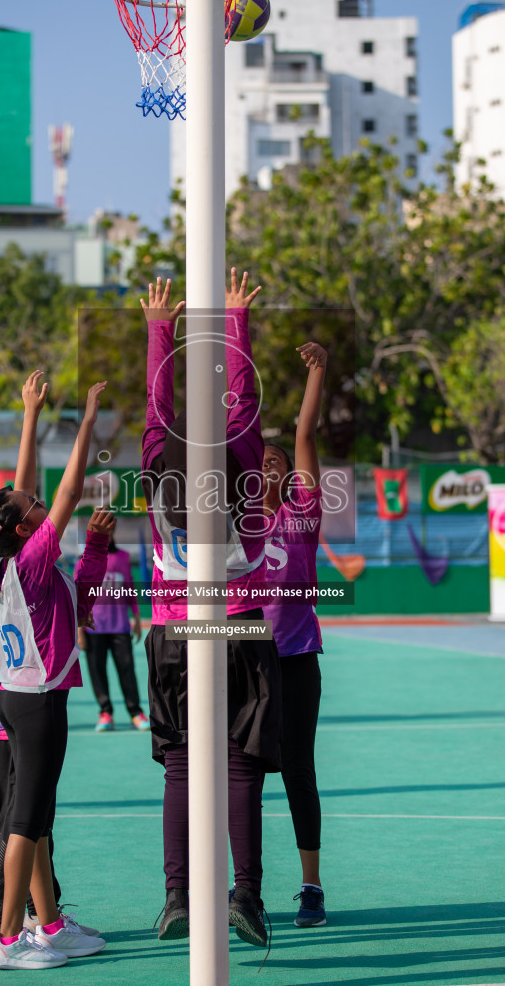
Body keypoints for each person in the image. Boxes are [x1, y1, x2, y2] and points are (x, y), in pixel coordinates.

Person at [141, 269, 282, 949]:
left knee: (180, 764)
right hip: (238, 630)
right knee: (239, 765)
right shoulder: (247, 476)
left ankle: (176, 896)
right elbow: (243, 400)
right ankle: (245, 893)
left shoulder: (155, 473)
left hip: (174, 632)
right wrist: (233, 321)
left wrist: (158, 331)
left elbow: (154, 408)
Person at [0, 373, 112, 971]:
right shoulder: (26, 559)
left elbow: (23, 494)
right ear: (24, 528)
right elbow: (69, 491)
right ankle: (6, 939)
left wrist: (30, 415)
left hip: (22, 699)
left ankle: (48, 923)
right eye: (31, 506)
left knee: (37, 818)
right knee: (25, 822)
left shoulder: (11, 561)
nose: (36, 498)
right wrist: (85, 422)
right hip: (34, 702)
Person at [261, 341, 327, 928]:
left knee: (297, 770)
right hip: (245, 660)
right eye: (258, 463)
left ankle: (311, 885)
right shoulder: (232, 524)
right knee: (243, 774)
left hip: (297, 659)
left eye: (276, 462)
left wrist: (317, 376)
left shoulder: (301, 515)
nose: (268, 467)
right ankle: (244, 888)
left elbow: (304, 436)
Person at [76, 534, 148, 732]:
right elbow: (78, 592)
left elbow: (129, 588)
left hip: (120, 627)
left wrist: (136, 616)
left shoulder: (123, 557)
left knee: (127, 670)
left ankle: (135, 713)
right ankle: (105, 712)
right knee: (97, 672)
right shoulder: (84, 560)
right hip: (93, 627)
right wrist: (79, 629)